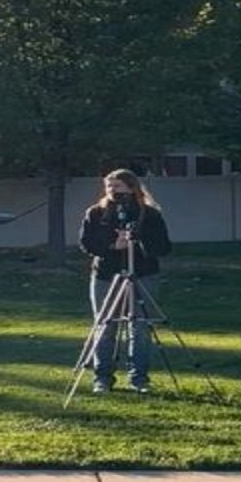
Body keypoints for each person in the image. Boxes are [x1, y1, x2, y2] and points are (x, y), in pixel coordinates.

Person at [78, 168, 172, 395]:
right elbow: (86, 244)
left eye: (118, 186)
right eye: (109, 186)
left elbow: (163, 247)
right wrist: (113, 246)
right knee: (105, 325)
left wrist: (139, 240)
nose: (113, 191)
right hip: (106, 276)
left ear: (132, 188)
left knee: (140, 327)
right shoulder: (96, 213)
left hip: (143, 274)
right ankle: (102, 377)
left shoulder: (149, 214)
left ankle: (139, 378)